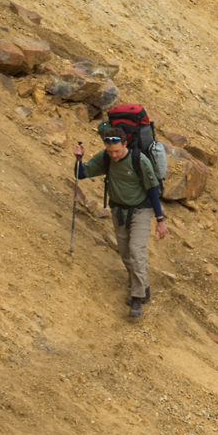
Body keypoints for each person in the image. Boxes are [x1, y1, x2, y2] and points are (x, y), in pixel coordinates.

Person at [73, 125, 168, 318]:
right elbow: (81, 175)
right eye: (110, 151)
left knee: (136, 250)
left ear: (125, 144)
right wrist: (78, 159)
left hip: (141, 210)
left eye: (116, 151)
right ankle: (143, 287)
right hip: (118, 211)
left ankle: (137, 297)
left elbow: (153, 190)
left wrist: (160, 220)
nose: (114, 156)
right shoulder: (106, 157)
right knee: (125, 253)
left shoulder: (138, 160)